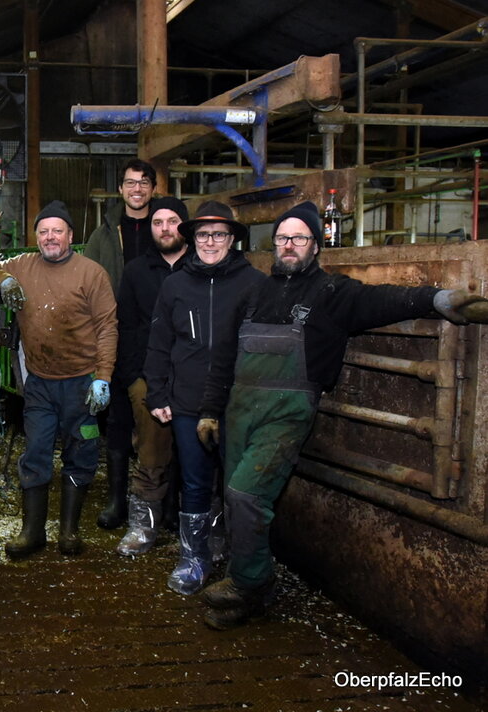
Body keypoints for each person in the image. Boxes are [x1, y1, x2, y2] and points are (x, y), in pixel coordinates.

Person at [197, 201, 488, 629]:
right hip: (239, 409)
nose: (289, 245)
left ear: (316, 245)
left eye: (299, 237)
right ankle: (245, 591)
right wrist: (209, 410)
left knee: (246, 494)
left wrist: (442, 300)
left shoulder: (333, 293)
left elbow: (388, 299)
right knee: (234, 496)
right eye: (282, 238)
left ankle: (251, 584)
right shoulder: (254, 293)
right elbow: (223, 355)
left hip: (286, 413)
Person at [144, 201, 264, 595]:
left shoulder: (254, 284)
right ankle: (194, 557)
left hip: (240, 402)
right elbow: (159, 343)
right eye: (203, 235)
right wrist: (157, 392)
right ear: (192, 239)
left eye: (219, 234)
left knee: (237, 484)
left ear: (232, 239)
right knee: (194, 482)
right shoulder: (175, 285)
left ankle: (236, 555)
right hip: (188, 401)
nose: (210, 242)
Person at [0, 201, 118, 558]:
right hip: (40, 383)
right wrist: (7, 279)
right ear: (37, 237)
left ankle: (69, 531)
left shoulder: (92, 274)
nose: (50, 237)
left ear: (70, 236)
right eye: (43, 231)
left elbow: (107, 327)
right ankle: (33, 533)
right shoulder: (24, 265)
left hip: (82, 383)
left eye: (57, 231)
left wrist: (103, 377)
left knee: (81, 451)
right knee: (36, 452)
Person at [83, 159, 158, 530]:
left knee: (160, 416)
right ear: (121, 190)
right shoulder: (105, 233)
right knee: (117, 419)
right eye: (130, 183)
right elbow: (85, 280)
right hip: (118, 334)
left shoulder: (168, 227)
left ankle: (158, 499)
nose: (137, 189)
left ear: (153, 189)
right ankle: (117, 500)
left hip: (161, 335)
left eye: (144, 183)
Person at [112, 197, 189, 556]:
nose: (165, 228)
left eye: (172, 221)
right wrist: (131, 377)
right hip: (146, 374)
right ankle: (144, 527)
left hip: (193, 376)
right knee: (151, 451)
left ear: (183, 226)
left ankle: (195, 529)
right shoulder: (136, 271)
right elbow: (125, 326)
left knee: (199, 452)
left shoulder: (200, 267)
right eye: (158, 222)